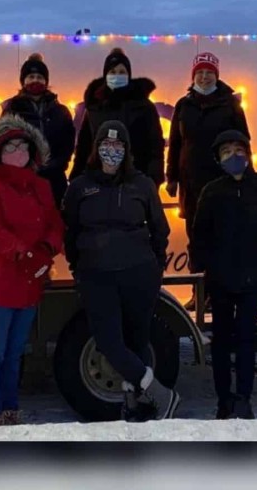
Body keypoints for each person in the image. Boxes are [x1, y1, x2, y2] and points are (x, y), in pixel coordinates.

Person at [63, 120, 177, 421]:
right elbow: (70, 230)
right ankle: (160, 394)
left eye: (117, 145)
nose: (111, 150)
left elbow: (159, 229)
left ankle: (135, 404)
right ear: (96, 147)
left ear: (126, 150)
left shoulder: (142, 184)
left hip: (139, 272)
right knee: (109, 341)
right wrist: (78, 266)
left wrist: (156, 265)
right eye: (105, 144)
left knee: (137, 340)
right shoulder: (80, 186)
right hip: (96, 275)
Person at [0, 115, 64, 426]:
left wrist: (47, 248)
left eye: (23, 146)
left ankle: (11, 407)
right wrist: (24, 253)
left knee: (15, 351)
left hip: (28, 282)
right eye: (10, 147)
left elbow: (55, 223)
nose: (17, 152)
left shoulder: (41, 186)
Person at [190, 129, 257, 420]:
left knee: (247, 340)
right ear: (218, 159)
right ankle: (223, 400)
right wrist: (210, 266)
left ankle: (243, 398)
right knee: (221, 341)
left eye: (238, 150)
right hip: (220, 280)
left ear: (248, 153)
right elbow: (200, 235)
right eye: (226, 152)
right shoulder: (212, 191)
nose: (233, 156)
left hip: (253, 279)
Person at [166, 52, 250, 311]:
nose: (204, 77)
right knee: (196, 239)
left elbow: (244, 141)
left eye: (209, 72)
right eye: (200, 72)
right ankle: (199, 294)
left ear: (217, 75)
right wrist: (171, 177)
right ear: (194, 76)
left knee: (222, 238)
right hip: (191, 184)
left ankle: (221, 293)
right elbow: (175, 144)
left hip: (222, 182)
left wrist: (243, 175)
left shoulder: (230, 104)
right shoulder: (183, 105)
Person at [71, 48, 165, 187]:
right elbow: (84, 146)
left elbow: (155, 144)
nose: (117, 76)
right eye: (113, 72)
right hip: (100, 178)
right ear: (105, 75)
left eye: (122, 72)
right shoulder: (94, 107)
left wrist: (153, 178)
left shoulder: (144, 106)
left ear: (129, 75)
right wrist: (77, 175)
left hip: (136, 178)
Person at [1, 53, 75, 207]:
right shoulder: (12, 109)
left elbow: (68, 143)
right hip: (22, 178)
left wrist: (56, 165)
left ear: (46, 81)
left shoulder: (60, 110)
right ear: (23, 81)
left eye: (40, 77)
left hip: (54, 179)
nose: (35, 80)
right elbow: (4, 141)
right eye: (31, 76)